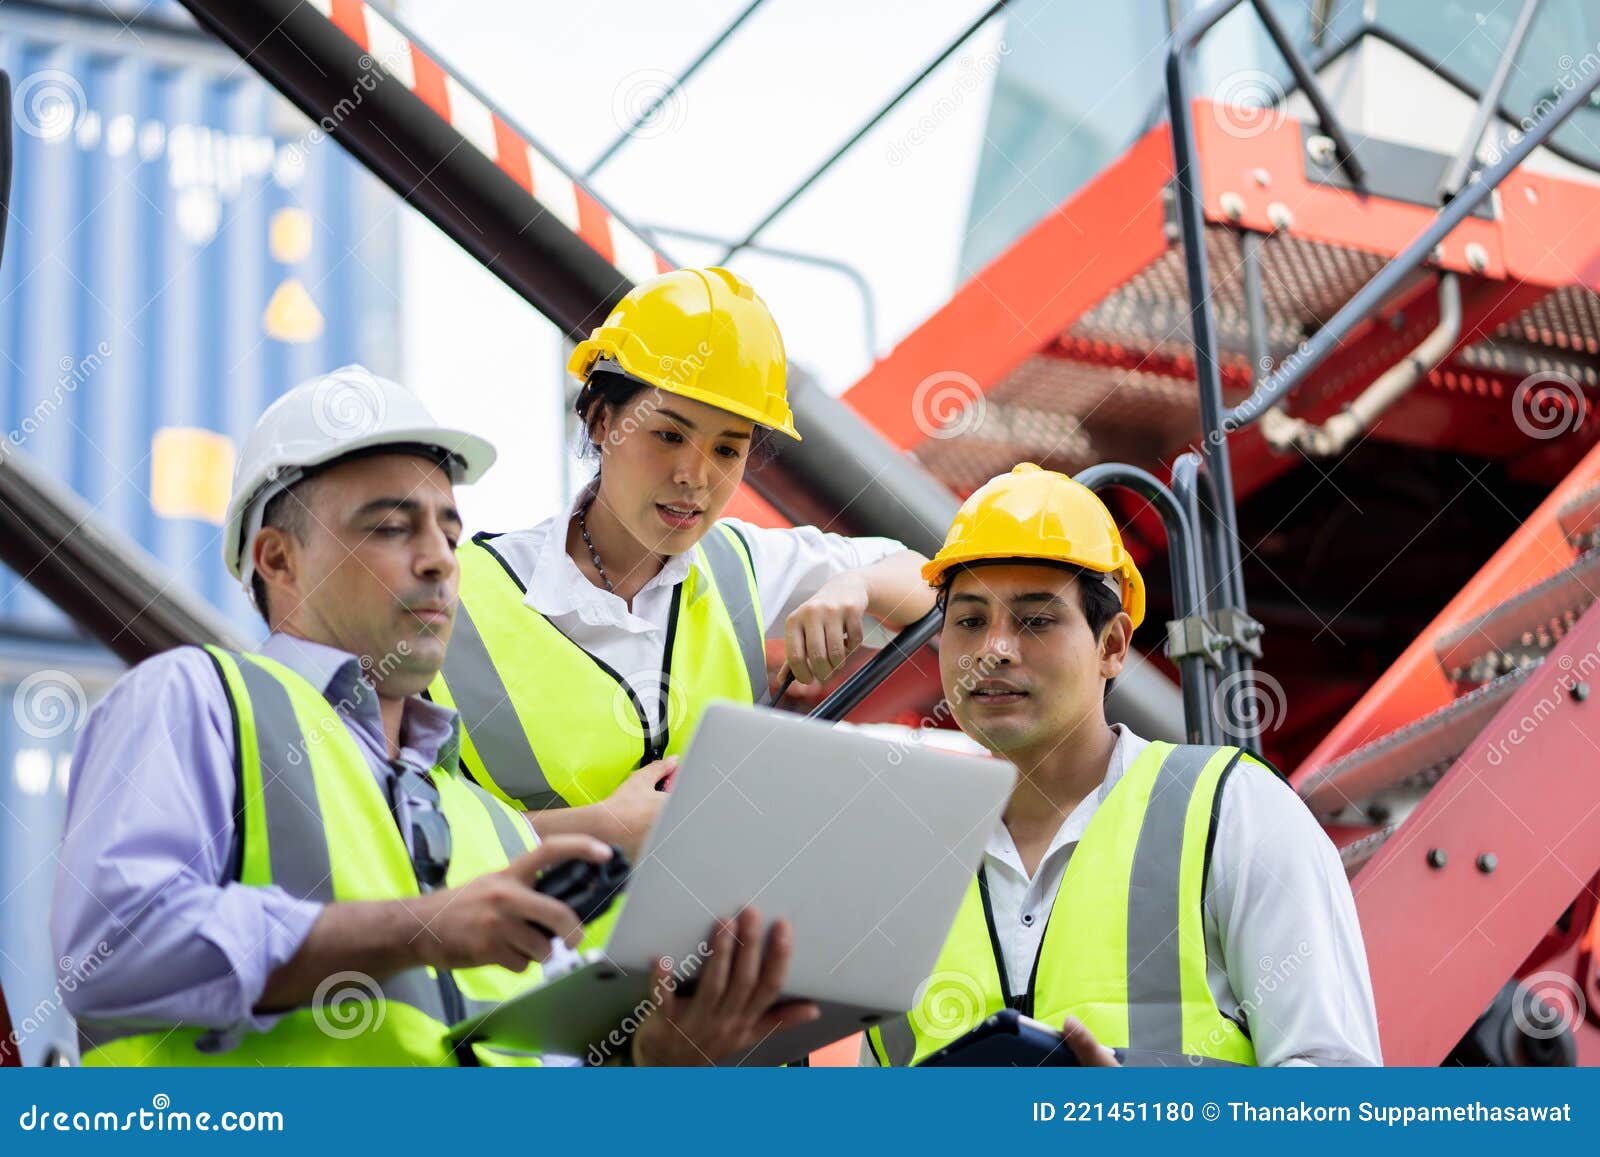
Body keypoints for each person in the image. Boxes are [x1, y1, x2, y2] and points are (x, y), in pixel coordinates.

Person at [52, 366, 817, 1066]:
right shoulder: (197, 700)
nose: (440, 558)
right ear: (278, 559)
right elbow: (112, 951)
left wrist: (667, 1062)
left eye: (449, 532)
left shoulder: (487, 823)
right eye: (391, 527)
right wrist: (419, 926)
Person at [863, 463, 1382, 1067]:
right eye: (970, 621)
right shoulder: (906, 869)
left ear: (1111, 645)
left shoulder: (1231, 810)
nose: (994, 649)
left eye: (1035, 620)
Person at [428, 267, 935, 856]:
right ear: (602, 421)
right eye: (669, 436)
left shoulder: (740, 567)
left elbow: (931, 584)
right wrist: (595, 828)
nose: (694, 477)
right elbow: (399, 827)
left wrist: (857, 584)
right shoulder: (452, 599)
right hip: (532, 948)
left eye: (726, 449)